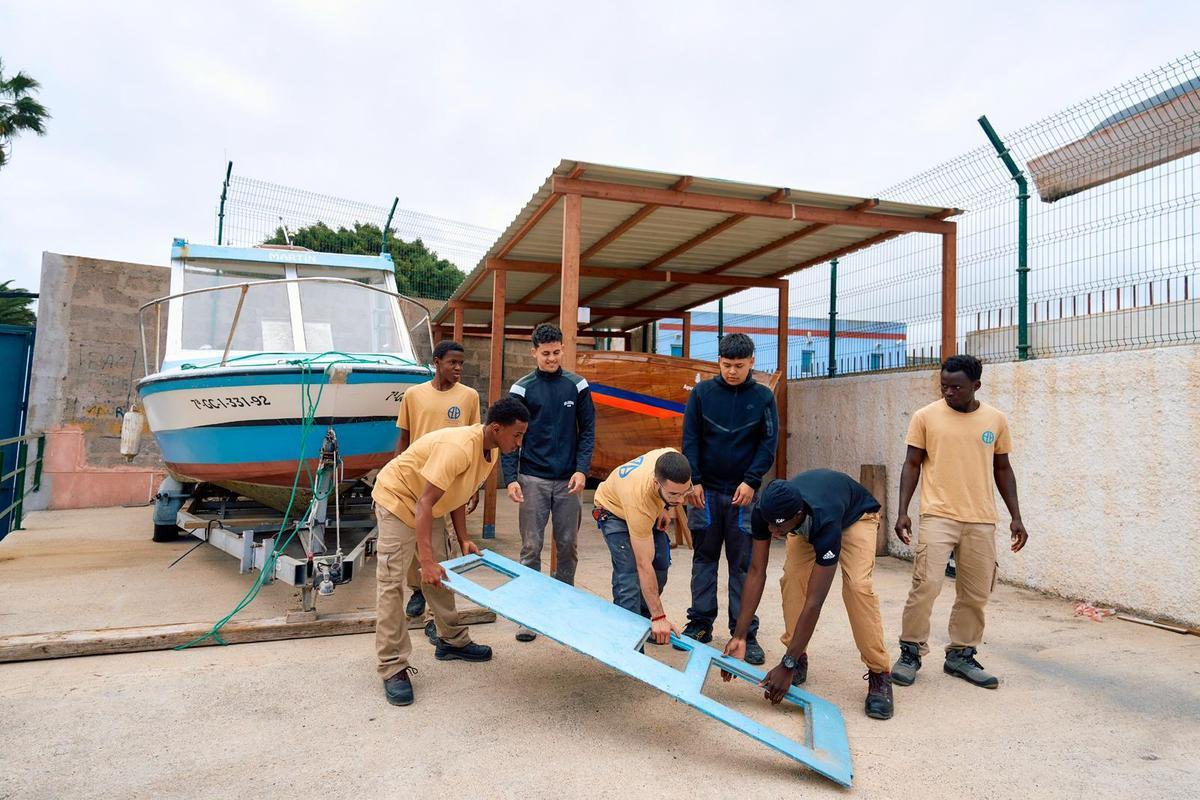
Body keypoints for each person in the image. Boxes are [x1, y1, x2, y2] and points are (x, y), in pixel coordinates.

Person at [372, 397, 529, 707]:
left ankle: (451, 641)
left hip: (425, 506)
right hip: (399, 499)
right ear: (497, 428)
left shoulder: (491, 450)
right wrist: (425, 560)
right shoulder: (458, 448)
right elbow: (424, 503)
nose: (520, 442)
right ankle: (393, 667)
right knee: (391, 584)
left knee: (442, 575)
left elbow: (458, 492)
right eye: (517, 435)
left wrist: (463, 538)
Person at [891, 354, 1028, 690]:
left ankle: (961, 656)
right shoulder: (925, 416)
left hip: (980, 518)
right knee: (926, 585)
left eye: (956, 387)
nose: (948, 392)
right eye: (944, 386)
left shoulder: (995, 420)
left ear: (976, 386)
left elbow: (1002, 469)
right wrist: (902, 511)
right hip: (938, 514)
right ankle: (910, 652)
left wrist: (1016, 516)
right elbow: (912, 464)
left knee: (976, 592)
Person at [723, 470, 895, 720]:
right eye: (769, 523)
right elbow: (757, 571)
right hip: (808, 518)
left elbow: (815, 601)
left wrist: (786, 665)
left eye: (778, 526)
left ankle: (880, 673)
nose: (772, 531)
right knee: (792, 579)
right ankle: (798, 653)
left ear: (797, 514)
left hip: (855, 517)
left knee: (858, 588)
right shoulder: (768, 511)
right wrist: (739, 635)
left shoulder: (825, 521)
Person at [677, 333, 778, 665]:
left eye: (738, 365)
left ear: (752, 362)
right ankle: (700, 624)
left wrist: (751, 482)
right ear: (717, 362)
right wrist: (694, 480)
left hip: (743, 498)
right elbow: (690, 438)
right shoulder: (702, 394)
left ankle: (744, 633)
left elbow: (768, 444)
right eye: (725, 365)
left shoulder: (764, 397)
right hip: (704, 494)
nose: (732, 371)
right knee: (704, 559)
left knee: (742, 566)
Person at [502, 323, 596, 642]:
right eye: (546, 354)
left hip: (569, 479)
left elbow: (588, 432)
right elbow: (508, 434)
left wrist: (582, 469)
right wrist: (510, 478)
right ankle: (528, 614)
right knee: (531, 546)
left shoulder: (577, 386)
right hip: (532, 478)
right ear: (534, 353)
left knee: (567, 545)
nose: (552, 359)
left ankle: (562, 605)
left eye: (557, 352)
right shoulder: (522, 389)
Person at [395, 340, 482, 642]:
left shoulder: (469, 397)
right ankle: (417, 589)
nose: (458, 368)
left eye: (461, 363)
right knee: (412, 549)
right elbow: (404, 439)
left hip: (446, 484)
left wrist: (473, 485)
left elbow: (475, 440)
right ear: (436, 362)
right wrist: (396, 474)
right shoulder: (413, 395)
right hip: (414, 480)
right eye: (452, 363)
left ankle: (436, 619)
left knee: (440, 550)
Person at [592, 449, 693, 645]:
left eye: (685, 492)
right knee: (629, 575)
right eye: (674, 494)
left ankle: (646, 623)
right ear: (657, 483)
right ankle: (629, 641)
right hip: (614, 511)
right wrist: (660, 616)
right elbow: (643, 565)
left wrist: (665, 506)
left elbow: (673, 491)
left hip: (646, 505)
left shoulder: (673, 458)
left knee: (661, 563)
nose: (681, 500)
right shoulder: (639, 499)